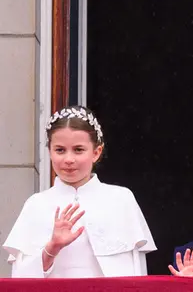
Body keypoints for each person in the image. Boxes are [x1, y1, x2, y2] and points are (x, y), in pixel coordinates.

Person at [3, 106, 156, 278]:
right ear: (50, 152)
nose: (69, 159)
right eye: (60, 150)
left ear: (96, 152)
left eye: (78, 150)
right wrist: (52, 247)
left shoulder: (121, 199)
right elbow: (19, 280)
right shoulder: (36, 204)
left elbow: (137, 274)